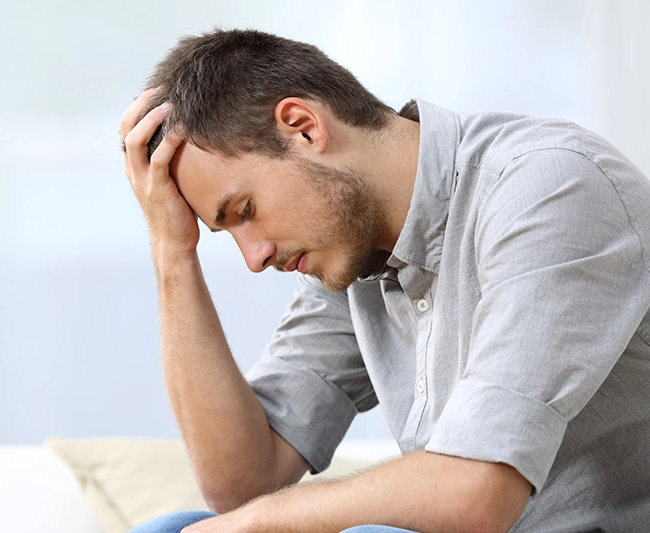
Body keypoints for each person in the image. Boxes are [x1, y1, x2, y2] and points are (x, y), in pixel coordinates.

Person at [119, 28, 650, 533]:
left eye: (245, 210)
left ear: (304, 127)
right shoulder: (353, 248)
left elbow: (476, 494)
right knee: (173, 528)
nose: (254, 258)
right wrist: (173, 252)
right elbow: (244, 483)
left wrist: (259, 521)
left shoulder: (548, 187)